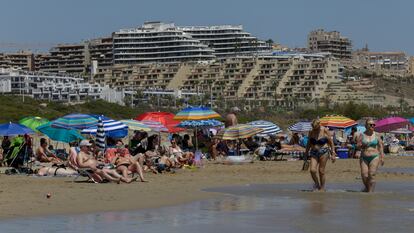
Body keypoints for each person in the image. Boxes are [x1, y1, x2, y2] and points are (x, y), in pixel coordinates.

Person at [305, 119, 336, 192]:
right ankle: (317, 184)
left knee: (321, 171)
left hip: (324, 152)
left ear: (319, 125)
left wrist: (333, 153)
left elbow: (331, 143)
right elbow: (309, 143)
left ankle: (322, 188)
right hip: (313, 152)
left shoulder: (325, 130)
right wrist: (306, 153)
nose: (315, 129)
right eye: (313, 127)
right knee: (312, 170)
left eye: (316, 127)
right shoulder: (311, 131)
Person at [357, 118, 385, 192]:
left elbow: (380, 146)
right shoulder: (362, 135)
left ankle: (370, 193)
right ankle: (368, 188)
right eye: (370, 124)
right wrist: (360, 145)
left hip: (374, 157)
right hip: (364, 157)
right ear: (366, 125)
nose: (372, 126)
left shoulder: (377, 135)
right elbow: (358, 145)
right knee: (364, 175)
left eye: (373, 124)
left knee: (371, 174)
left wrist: (382, 157)